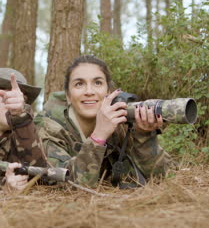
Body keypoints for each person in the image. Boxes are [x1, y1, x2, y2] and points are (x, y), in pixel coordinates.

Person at [36, 55, 173, 188]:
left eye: (98, 83)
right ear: (68, 96)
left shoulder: (119, 121)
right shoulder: (49, 128)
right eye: (79, 84)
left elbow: (164, 177)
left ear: (108, 91)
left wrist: (145, 136)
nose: (89, 91)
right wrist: (98, 137)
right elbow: (66, 183)